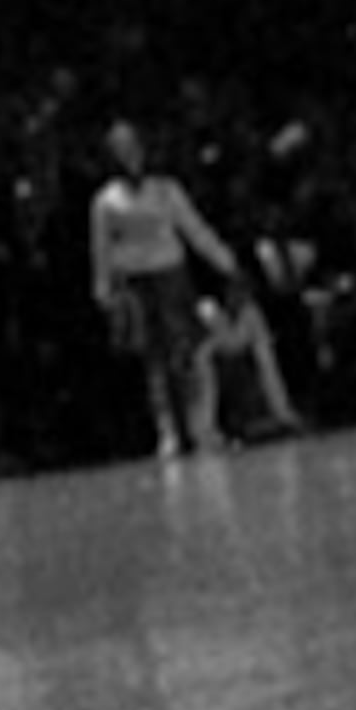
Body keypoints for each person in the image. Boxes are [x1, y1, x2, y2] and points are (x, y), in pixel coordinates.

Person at [89, 120, 242, 457]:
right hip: (136, 284)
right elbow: (101, 248)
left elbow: (194, 229)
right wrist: (104, 290)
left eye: (133, 147)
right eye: (120, 150)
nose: (129, 156)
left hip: (171, 277)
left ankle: (200, 425)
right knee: (154, 359)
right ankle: (168, 431)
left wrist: (226, 262)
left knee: (185, 353)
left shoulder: (165, 190)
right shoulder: (106, 201)